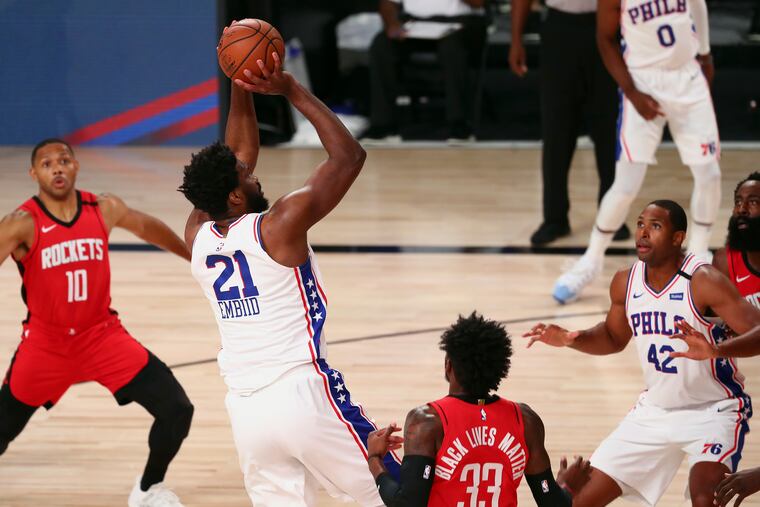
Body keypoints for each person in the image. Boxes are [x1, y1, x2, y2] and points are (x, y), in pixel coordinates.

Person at [178, 41, 399, 505]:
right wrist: (290, 88)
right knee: (395, 495)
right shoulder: (278, 224)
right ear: (236, 197)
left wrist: (241, 86)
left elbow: (234, 153)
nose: (253, 171)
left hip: (246, 408)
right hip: (302, 394)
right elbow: (348, 158)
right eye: (245, 174)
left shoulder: (197, 234)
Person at [524, 200, 760, 506]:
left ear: (677, 238)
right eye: (639, 224)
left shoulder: (703, 280)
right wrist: (572, 339)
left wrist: (716, 350)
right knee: (577, 500)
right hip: (654, 411)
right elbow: (612, 337)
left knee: (705, 500)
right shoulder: (626, 281)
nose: (643, 233)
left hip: (713, 410)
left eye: (655, 226)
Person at [0, 139, 194, 507]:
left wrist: (193, 256)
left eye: (64, 160)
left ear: (75, 166)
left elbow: (146, 227)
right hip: (45, 346)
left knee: (177, 409)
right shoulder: (21, 223)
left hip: (102, 338)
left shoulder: (103, 208)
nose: (57, 168)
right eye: (46, 164)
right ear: (33, 173)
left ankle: (147, 489)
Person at [552, 0, 721, 303]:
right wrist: (631, 92)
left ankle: (698, 256)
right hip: (643, 81)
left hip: (687, 77)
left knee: (709, 174)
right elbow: (605, 40)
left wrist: (705, 52)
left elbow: (698, 5)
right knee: (626, 185)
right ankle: (591, 260)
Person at [364, 312, 591, 506]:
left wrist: (375, 458)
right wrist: (566, 487)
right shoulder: (526, 420)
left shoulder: (427, 421)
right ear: (500, 367)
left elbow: (407, 504)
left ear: (448, 365)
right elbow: (552, 502)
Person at [665, 172, 760, 506]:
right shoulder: (725, 260)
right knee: (704, 493)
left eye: (753, 202)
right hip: (732, 377)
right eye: (738, 203)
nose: (742, 210)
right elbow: (719, 320)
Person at [510, 0, 629, 246]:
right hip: (560, 27)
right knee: (557, 129)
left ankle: (612, 217)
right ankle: (554, 218)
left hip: (608, 23)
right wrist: (516, 39)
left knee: (609, 127)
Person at [362, 0, 488, 142]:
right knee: (381, 46)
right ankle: (383, 125)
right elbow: (388, 3)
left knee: (453, 49)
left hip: (463, 24)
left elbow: (479, 3)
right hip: (415, 23)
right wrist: (392, 23)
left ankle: (460, 124)